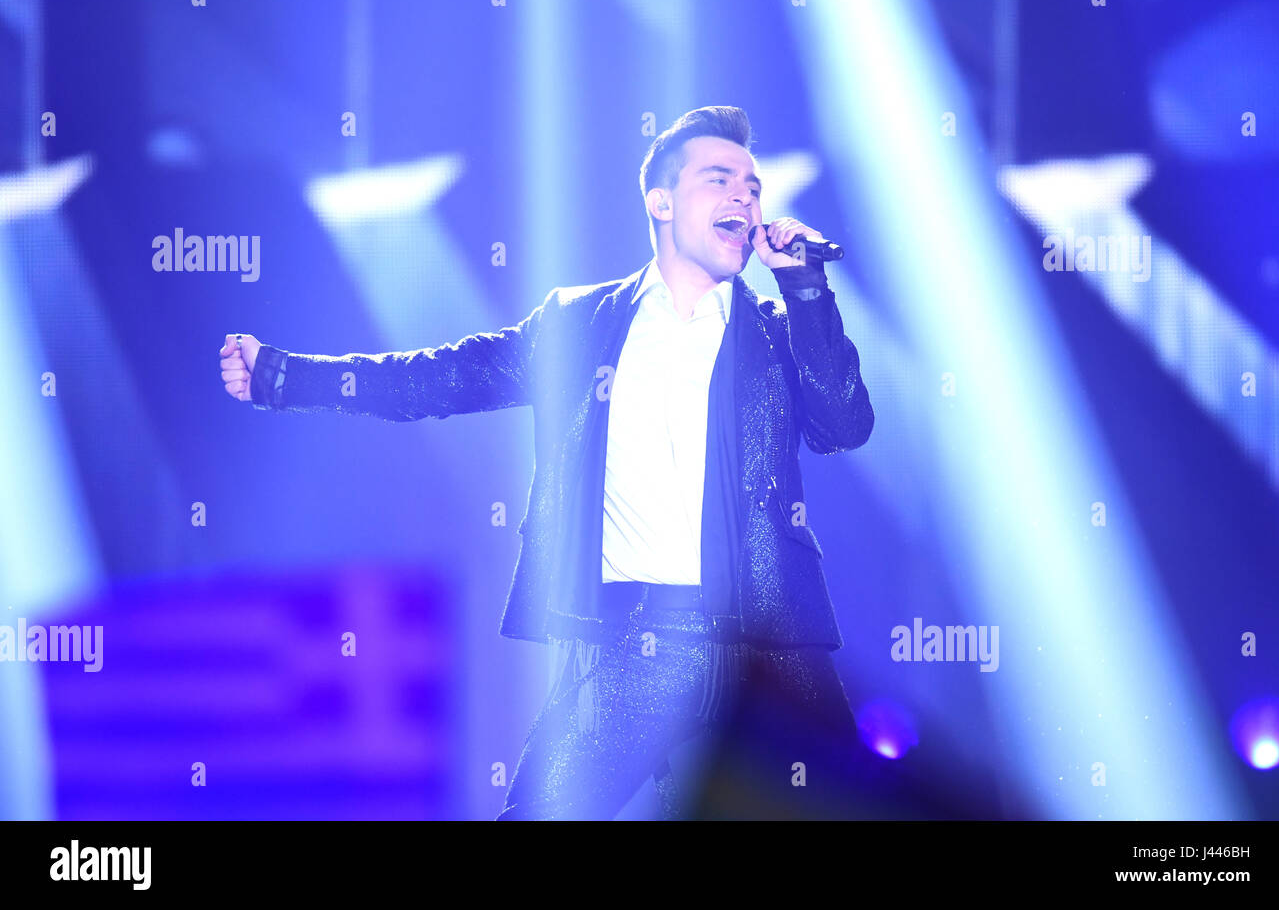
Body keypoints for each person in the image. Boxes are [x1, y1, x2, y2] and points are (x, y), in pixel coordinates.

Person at [218, 106, 875, 819]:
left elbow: (843, 423)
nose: (745, 198)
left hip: (769, 646)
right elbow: (435, 380)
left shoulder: (778, 332)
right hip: (640, 644)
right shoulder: (579, 324)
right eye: (719, 180)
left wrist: (805, 287)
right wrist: (285, 377)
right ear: (660, 200)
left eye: (752, 186)